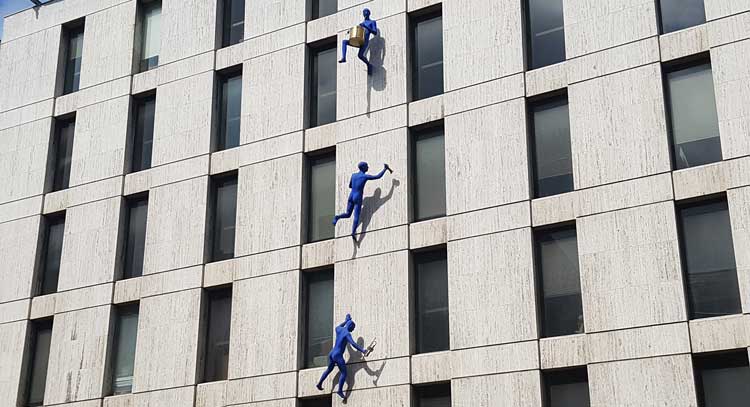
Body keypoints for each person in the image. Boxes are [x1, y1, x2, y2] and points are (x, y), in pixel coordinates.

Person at [316, 314, 369, 399]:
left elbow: (339, 326)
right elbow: (353, 344)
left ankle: (319, 383)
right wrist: (363, 350)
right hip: (338, 355)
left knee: (329, 369)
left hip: (331, 353)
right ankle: (340, 390)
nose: (353, 329)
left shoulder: (339, 329)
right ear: (350, 325)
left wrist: (346, 320)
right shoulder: (347, 334)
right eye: (353, 328)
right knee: (344, 373)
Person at [333, 161, 391, 239]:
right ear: (363, 167)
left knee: (348, 214)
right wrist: (385, 169)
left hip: (351, 195)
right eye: (367, 166)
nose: (368, 167)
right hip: (358, 196)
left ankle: (337, 217)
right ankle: (353, 232)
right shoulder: (365, 176)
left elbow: (350, 185)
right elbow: (377, 176)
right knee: (356, 216)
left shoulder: (353, 175)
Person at [340, 8, 379, 75]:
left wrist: (367, 27)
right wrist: (351, 31)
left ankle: (368, 65)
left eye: (366, 12)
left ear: (369, 13)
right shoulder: (361, 24)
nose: (365, 13)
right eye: (364, 12)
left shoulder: (372, 22)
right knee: (344, 42)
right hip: (359, 40)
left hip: (365, 42)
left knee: (360, 55)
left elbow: (375, 32)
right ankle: (343, 57)